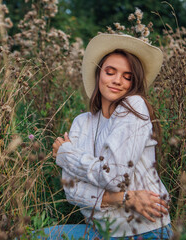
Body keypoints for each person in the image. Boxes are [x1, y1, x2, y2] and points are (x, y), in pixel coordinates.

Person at [48, 34, 172, 239]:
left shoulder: (133, 107)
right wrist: (125, 198)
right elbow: (72, 191)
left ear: (134, 82)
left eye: (127, 76)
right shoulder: (82, 122)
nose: (117, 81)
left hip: (144, 231)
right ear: (99, 74)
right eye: (110, 72)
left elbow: (114, 176)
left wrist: (66, 154)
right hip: (99, 231)